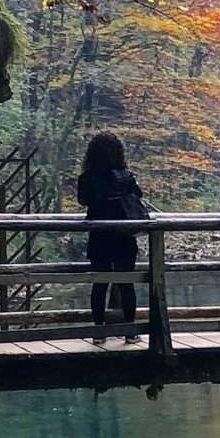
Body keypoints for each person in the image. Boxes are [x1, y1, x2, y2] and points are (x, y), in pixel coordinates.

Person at [77, 131, 146, 345]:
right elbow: (138, 194)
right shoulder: (125, 175)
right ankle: (130, 331)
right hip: (124, 235)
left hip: (99, 236)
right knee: (126, 284)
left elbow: (83, 200)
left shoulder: (87, 178)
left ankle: (99, 331)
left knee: (100, 283)